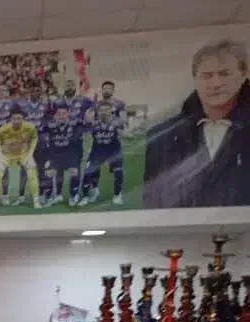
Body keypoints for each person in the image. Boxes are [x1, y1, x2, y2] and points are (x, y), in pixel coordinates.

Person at [144, 38, 250, 209]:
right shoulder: (161, 139)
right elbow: (152, 202)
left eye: (225, 74)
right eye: (207, 76)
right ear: (195, 78)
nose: (215, 84)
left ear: (244, 75)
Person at [0, 104, 41, 211]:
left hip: (23, 154)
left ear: (23, 118)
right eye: (14, 119)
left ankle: (36, 201)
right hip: (7, 155)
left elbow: (34, 138)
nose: (17, 121)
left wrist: (30, 153)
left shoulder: (30, 127)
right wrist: (0, 156)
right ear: (10, 119)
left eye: (19, 118)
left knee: (32, 172)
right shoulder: (3, 129)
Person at [82, 101, 127, 205]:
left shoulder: (116, 123)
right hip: (97, 151)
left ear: (110, 111)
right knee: (88, 173)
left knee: (118, 172)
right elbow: (85, 126)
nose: (104, 112)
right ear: (98, 111)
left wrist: (126, 135)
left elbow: (124, 132)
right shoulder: (93, 124)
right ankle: (89, 195)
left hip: (114, 151)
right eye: (101, 110)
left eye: (106, 110)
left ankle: (117, 195)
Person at [43, 102, 86, 206]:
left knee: (74, 171)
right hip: (56, 153)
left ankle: (73, 195)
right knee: (49, 172)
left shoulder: (75, 124)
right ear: (55, 115)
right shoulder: (50, 125)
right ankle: (55, 195)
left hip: (70, 153)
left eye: (64, 113)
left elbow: (87, 129)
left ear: (68, 114)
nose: (62, 116)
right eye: (59, 114)